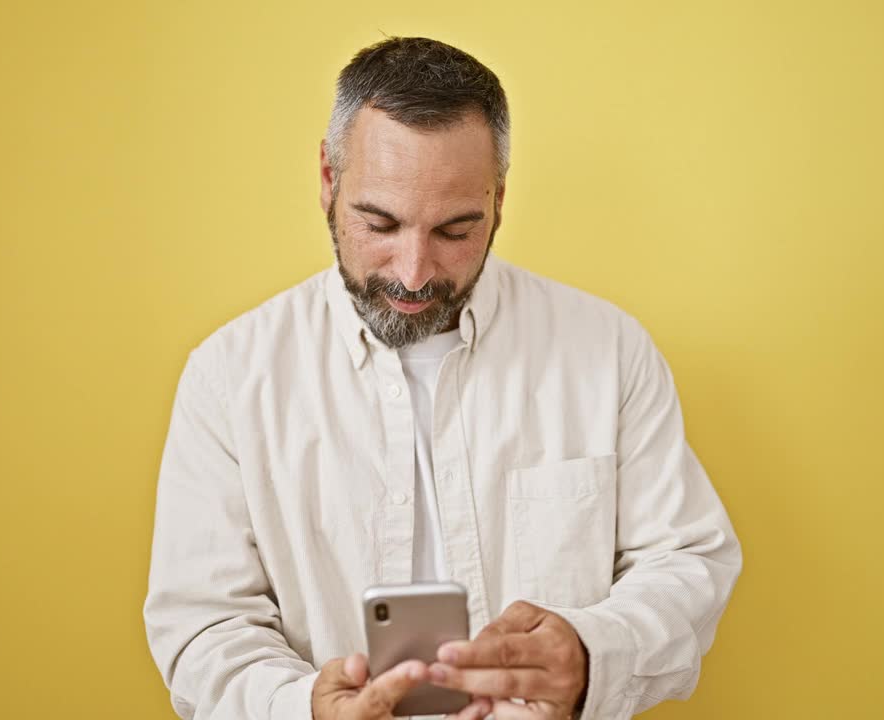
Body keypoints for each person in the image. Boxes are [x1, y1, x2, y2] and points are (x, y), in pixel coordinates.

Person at [143, 36, 742, 720]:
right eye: (380, 222)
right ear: (328, 179)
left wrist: (592, 652)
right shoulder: (230, 377)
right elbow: (201, 629)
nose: (413, 272)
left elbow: (689, 563)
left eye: (457, 230)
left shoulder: (608, 350)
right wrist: (304, 709)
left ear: (500, 198)